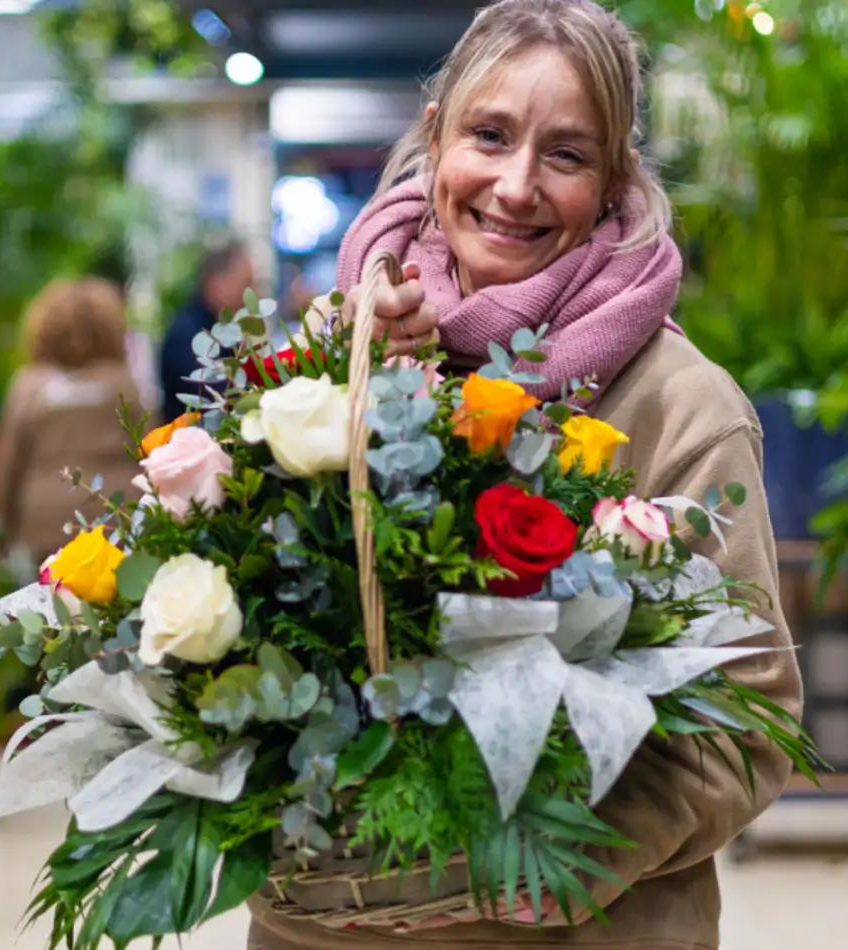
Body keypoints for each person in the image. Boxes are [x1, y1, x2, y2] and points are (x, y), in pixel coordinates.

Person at [248, 2, 801, 949]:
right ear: (435, 139)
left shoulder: (682, 408)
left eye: (568, 155)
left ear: (617, 180)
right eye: (490, 136)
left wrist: (532, 859)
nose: (515, 186)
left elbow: (749, 722)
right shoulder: (331, 361)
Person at [0, 278, 147, 566]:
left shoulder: (28, 386)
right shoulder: (124, 384)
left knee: (53, 599)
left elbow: (9, 464)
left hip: (45, 522)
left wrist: (4, 523)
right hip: (116, 514)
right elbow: (148, 449)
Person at [159, 241, 254, 423]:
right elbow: (219, 399)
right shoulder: (186, 336)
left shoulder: (222, 331)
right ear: (215, 283)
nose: (252, 296)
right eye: (245, 285)